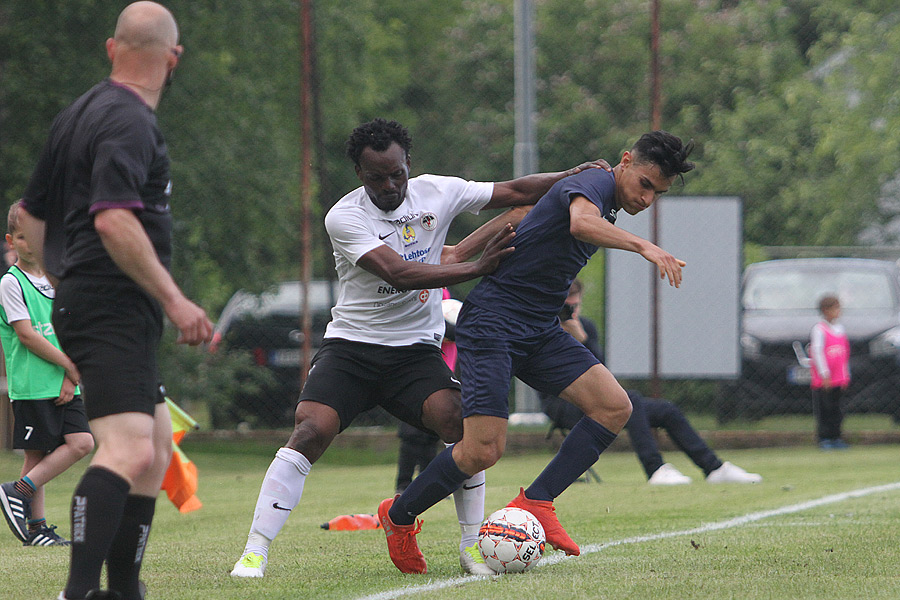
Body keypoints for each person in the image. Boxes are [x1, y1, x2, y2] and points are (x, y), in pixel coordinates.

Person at [231, 117, 609, 578]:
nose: (390, 185)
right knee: (311, 430)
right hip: (353, 349)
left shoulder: (436, 190)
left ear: (409, 163)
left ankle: (474, 547)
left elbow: (513, 191)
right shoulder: (344, 217)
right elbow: (400, 274)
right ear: (359, 175)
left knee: (461, 426)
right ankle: (256, 550)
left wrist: (571, 177)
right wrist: (478, 267)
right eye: (377, 178)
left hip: (413, 353)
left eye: (397, 174)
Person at [379, 130, 696, 574]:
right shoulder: (598, 183)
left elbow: (527, 210)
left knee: (613, 407)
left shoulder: (599, 192)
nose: (647, 199)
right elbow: (580, 224)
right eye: (645, 185)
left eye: (657, 194)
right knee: (482, 450)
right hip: (493, 323)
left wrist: (459, 251)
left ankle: (539, 500)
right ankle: (398, 515)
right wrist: (645, 245)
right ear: (625, 161)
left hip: (538, 329)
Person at [18, 3, 213, 599]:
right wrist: (177, 302)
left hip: (96, 302)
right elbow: (113, 221)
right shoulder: (131, 122)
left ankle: (124, 590)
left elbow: (30, 213)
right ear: (173, 59)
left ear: (111, 48)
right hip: (110, 306)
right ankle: (76, 593)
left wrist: (62, 280)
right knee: (127, 450)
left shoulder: (78, 112)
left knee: (154, 451)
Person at [541, 280, 761, 485]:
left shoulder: (585, 328)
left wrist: (583, 339)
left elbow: (601, 370)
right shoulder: (544, 328)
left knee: (665, 410)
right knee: (632, 400)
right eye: (566, 308)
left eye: (575, 306)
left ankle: (714, 469)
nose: (570, 313)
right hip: (563, 402)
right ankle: (655, 468)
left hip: (596, 397)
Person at [0, 202, 95, 548]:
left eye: (37, 237)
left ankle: (17, 490)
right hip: (33, 384)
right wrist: (68, 366)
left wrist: (71, 376)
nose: (30, 244)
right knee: (37, 453)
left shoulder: (59, 279)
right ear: (12, 241)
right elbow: (27, 334)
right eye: (22, 238)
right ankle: (37, 528)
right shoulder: (11, 283)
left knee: (81, 442)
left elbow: (72, 328)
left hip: (63, 379)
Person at [394, 290, 458, 495]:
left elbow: (454, 331)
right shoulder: (414, 293)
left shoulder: (446, 296)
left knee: (432, 435)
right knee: (411, 434)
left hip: (442, 372)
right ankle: (403, 484)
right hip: (414, 372)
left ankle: (428, 484)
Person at [809, 295, 850, 450]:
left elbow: (844, 354)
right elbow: (817, 352)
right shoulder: (819, 329)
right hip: (825, 379)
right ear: (825, 310)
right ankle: (824, 438)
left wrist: (845, 375)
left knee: (837, 409)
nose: (838, 312)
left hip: (839, 378)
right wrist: (824, 374)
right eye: (835, 308)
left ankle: (836, 436)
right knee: (824, 408)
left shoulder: (840, 329)